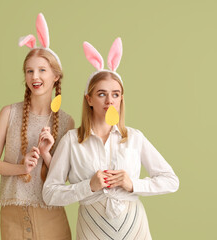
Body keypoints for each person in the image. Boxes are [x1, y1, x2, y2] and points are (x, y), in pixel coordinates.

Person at [43, 39, 179, 239]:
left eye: (115, 94)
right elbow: (50, 194)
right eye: (101, 94)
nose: (109, 100)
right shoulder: (72, 140)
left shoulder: (134, 138)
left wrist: (132, 184)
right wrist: (88, 186)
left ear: (121, 98)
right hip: (92, 229)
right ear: (89, 99)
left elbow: (171, 181)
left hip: (134, 229)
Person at [0, 13, 73, 240]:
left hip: (51, 213)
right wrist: (21, 167)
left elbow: (65, 176)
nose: (35, 76)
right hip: (12, 214)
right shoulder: (9, 113)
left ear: (56, 76)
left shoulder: (67, 122)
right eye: (29, 71)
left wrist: (46, 154)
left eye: (42, 70)